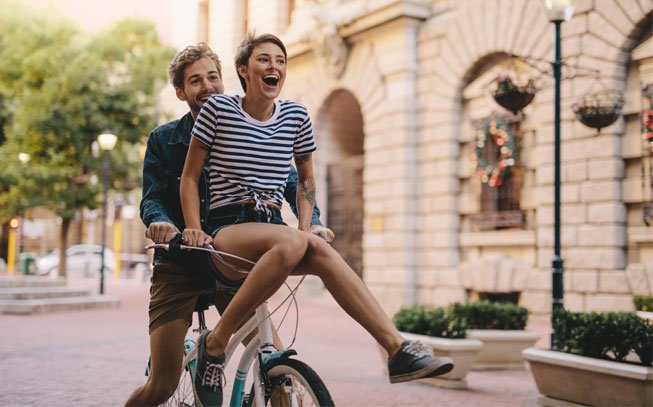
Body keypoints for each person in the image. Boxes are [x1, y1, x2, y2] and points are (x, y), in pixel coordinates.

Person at [180, 32, 454, 407]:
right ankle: (215, 344)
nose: (273, 66)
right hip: (228, 231)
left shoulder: (296, 115)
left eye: (280, 60)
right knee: (294, 240)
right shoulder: (218, 110)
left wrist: (307, 228)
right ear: (244, 70)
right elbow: (191, 176)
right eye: (263, 59)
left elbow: (305, 179)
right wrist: (194, 227)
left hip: (273, 227)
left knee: (319, 249)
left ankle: (396, 349)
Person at [125, 42, 332, 407]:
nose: (206, 86)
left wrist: (311, 224)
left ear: (225, 80)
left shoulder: (246, 127)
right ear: (180, 92)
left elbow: (289, 183)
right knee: (162, 385)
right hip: (181, 262)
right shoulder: (164, 139)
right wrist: (162, 224)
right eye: (194, 81)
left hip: (232, 262)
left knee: (275, 365)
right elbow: (154, 197)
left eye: (212, 77)